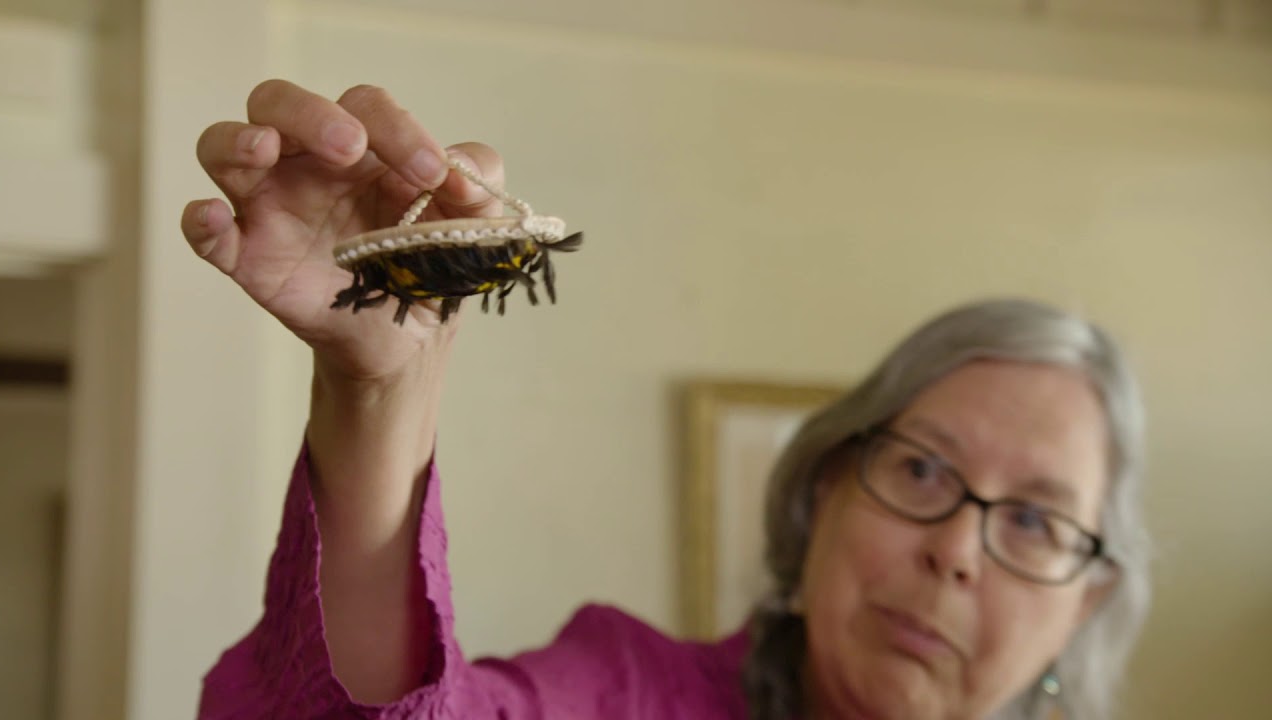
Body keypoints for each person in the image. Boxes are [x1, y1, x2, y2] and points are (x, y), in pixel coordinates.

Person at [183, 80, 1152, 720]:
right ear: (822, 490)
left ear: (1086, 604)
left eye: (1032, 521)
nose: (952, 551)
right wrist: (382, 390)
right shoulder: (627, 692)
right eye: (919, 468)